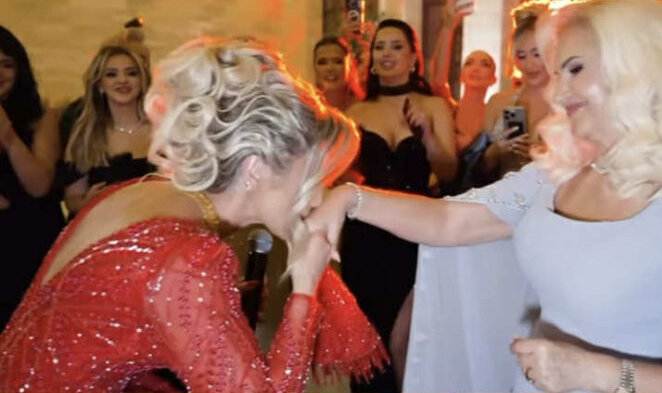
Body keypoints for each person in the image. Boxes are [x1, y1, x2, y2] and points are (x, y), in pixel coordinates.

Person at [309, 0, 662, 392]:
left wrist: (602, 373)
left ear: (637, 68)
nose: (557, 92)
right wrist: (349, 199)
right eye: (556, 72)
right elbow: (450, 221)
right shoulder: (556, 177)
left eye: (574, 69)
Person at [0, 36, 387, 393]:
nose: (319, 197)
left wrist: (206, 307)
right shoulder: (192, 259)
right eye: (316, 178)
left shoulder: (143, 193)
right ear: (255, 167)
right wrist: (304, 289)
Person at [340, 18, 457, 393]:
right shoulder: (356, 113)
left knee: (413, 337)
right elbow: (342, 177)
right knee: (368, 338)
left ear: (413, 57)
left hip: (417, 232)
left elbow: (449, 172)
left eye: (396, 46)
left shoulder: (434, 105)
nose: (386, 54)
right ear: (371, 59)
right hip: (366, 235)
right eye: (379, 47)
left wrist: (427, 134)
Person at [0, 26, 65, 329]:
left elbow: (39, 186)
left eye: (7, 64)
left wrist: (9, 137)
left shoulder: (41, 116)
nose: (0, 73)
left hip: (31, 238)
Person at [61, 29, 154, 216]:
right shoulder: (86, 134)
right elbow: (72, 199)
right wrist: (87, 203)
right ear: (100, 85)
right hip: (103, 224)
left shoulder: (163, 130)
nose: (122, 80)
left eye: (131, 73)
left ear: (142, 80)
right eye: (111, 74)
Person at [427, 0, 499, 193]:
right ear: (461, 75)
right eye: (469, 63)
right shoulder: (448, 110)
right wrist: (448, 26)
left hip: (484, 198)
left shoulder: (495, 115)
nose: (476, 68)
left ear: (493, 79)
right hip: (445, 197)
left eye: (485, 64)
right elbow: (437, 79)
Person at [482, 0, 553, 177]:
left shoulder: (568, 105)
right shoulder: (499, 102)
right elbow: (479, 171)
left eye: (536, 54)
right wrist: (497, 150)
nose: (529, 64)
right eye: (521, 56)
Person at [312, 36, 363, 111]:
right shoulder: (304, 107)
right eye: (322, 63)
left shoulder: (364, 108)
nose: (330, 68)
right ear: (314, 67)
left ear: (350, 66)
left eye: (338, 62)